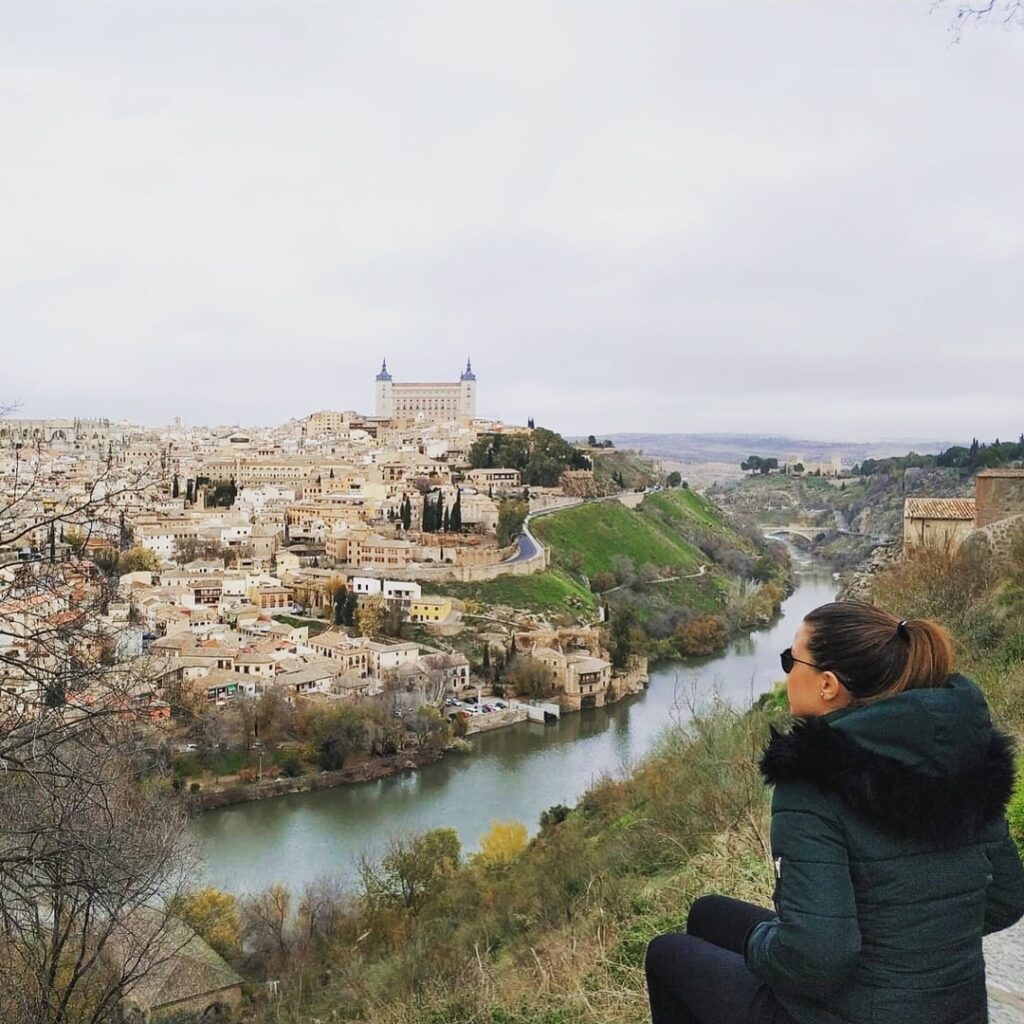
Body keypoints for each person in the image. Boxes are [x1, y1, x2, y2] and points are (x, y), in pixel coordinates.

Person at [645, 600, 1024, 1024]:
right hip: (958, 1011)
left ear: (827, 685)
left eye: (792, 660)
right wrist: (915, 939)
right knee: (708, 913)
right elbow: (1006, 898)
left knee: (667, 954)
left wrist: (758, 943)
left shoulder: (813, 780)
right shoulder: (961, 754)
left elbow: (819, 959)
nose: (786, 671)